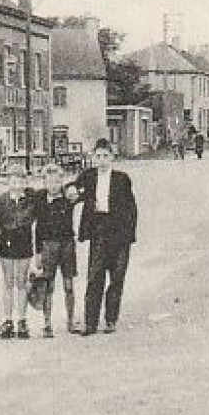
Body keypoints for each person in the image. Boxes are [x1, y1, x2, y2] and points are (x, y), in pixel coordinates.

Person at [75, 138, 138, 335]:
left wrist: (128, 234)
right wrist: (71, 191)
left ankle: (111, 319)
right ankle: (90, 323)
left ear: (112, 157)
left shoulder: (122, 179)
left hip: (119, 232)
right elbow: (73, 189)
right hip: (98, 230)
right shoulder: (88, 176)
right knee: (94, 277)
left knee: (117, 277)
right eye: (98, 156)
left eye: (105, 156)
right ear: (93, 157)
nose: (101, 161)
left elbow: (131, 208)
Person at [0, 165, 40, 339]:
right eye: (13, 180)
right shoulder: (0, 200)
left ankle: (22, 321)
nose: (17, 184)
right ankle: (8, 320)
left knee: (21, 282)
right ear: (8, 182)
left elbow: (45, 203)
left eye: (21, 180)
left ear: (26, 181)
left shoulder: (32, 199)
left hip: (24, 242)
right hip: (7, 242)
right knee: (8, 282)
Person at [33, 163, 81, 338]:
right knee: (48, 285)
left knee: (69, 284)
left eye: (57, 181)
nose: (54, 185)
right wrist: (37, 252)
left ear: (62, 181)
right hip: (47, 245)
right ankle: (47, 324)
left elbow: (83, 190)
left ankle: (70, 321)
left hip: (67, 244)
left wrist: (73, 188)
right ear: (44, 182)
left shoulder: (69, 197)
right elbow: (37, 228)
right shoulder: (39, 198)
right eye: (50, 181)